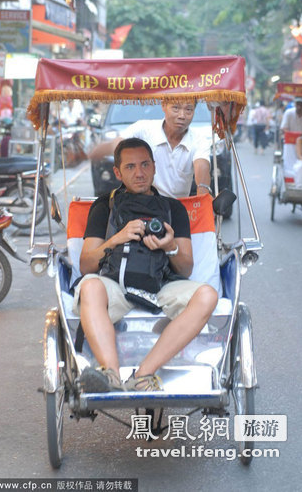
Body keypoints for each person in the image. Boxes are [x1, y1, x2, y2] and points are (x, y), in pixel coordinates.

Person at [74, 138, 218, 393]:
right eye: (130, 167)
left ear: (154, 167)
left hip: (161, 285)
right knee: (90, 286)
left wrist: (169, 247)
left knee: (207, 295)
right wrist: (118, 237)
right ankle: (110, 375)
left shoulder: (173, 208)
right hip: (115, 285)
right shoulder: (104, 206)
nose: (139, 173)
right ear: (117, 172)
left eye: (144, 165)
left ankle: (143, 374)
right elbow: (86, 265)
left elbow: (185, 269)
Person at [89, 101, 212, 199]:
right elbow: (118, 144)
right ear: (164, 105)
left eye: (188, 110)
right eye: (176, 108)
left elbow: (202, 165)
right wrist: (92, 153)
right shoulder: (143, 129)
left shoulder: (199, 140)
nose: (182, 115)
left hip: (177, 209)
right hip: (142, 205)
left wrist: (203, 193)